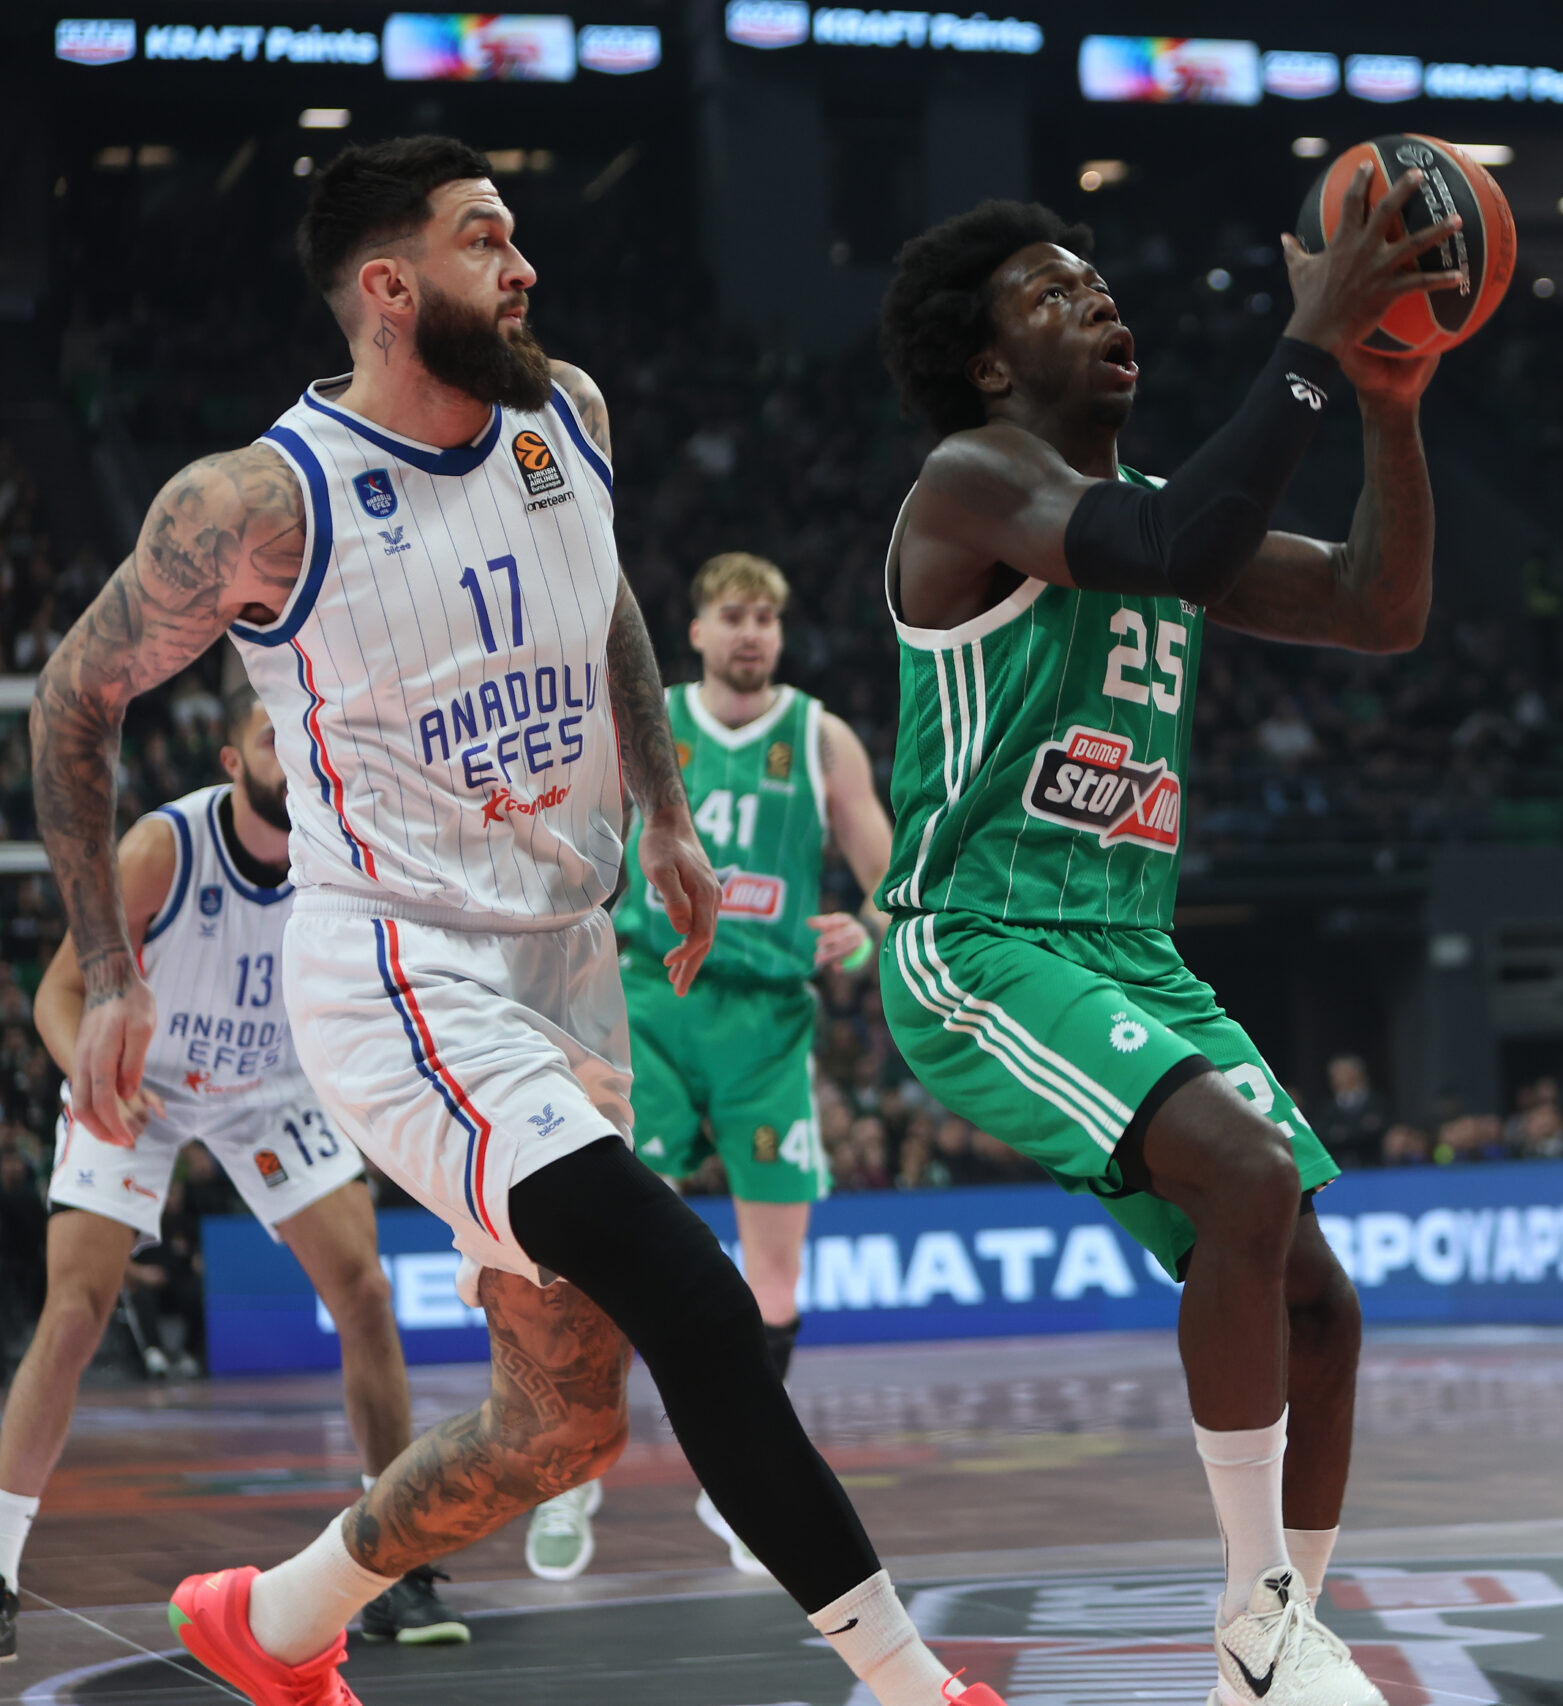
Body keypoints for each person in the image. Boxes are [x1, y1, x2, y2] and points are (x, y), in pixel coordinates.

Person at [28, 136, 997, 1706]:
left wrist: (665, 804)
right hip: (402, 967)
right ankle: (914, 1684)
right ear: (388, 285)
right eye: (485, 238)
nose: (525, 264)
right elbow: (75, 696)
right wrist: (114, 966)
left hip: (567, 951)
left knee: (562, 1426)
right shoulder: (260, 502)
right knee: (696, 1294)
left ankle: (272, 1619)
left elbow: (601, 593)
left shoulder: (568, 415)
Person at [872, 177, 1453, 1705]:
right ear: (990, 362)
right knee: (1246, 1175)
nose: (1100, 301)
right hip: (978, 937)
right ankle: (1256, 1613)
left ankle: (1276, 1639)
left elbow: (1377, 607)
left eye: (1103, 284)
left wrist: (1387, 403)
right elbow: (1176, 536)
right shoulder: (970, 480)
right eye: (1053, 294)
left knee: (1321, 1299)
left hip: (1131, 952)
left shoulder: (1172, 520)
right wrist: (1310, 346)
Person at [1, 689, 458, 1660]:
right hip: (142, 1077)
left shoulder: (350, 852)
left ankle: (394, 1568)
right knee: (74, 1312)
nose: (291, 753)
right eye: (268, 738)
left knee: (367, 1293)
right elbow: (60, 991)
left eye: (304, 737)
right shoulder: (161, 851)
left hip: (272, 1088)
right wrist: (91, 1071)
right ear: (230, 760)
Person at [523, 550, 893, 1581]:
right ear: (694, 630)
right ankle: (575, 1469)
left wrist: (864, 933)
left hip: (768, 1022)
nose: (751, 634)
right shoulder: (650, 722)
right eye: (733, 615)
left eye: (766, 619)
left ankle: (744, 1482)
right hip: (650, 1004)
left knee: (776, 1272)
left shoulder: (819, 737)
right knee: (603, 1248)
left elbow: (887, 883)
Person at [1312, 1054, 1389, 1171]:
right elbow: (1322, 1133)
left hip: (1373, 1166)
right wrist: (1357, 1130)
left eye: (1343, 1072)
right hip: (1339, 1166)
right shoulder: (1327, 1108)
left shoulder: (1375, 1101)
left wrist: (1342, 1134)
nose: (1337, 1077)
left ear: (1358, 1074)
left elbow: (1377, 1130)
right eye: (1335, 1074)